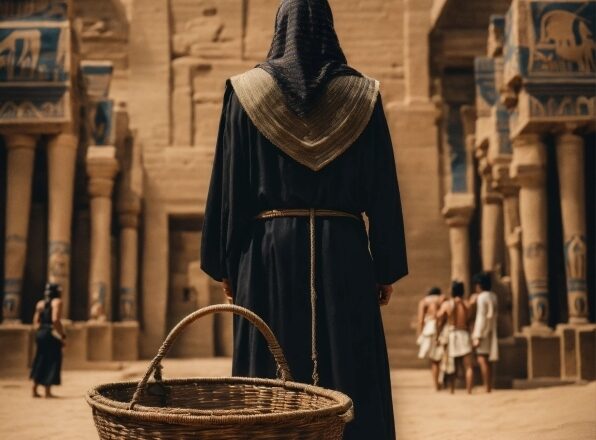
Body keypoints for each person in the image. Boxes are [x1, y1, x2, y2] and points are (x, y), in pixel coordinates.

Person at [200, 1, 407, 438]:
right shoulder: (362, 96)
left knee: (267, 378)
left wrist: (226, 264)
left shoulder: (245, 93)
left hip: (265, 253)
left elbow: (230, 186)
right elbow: (383, 187)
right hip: (344, 251)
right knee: (348, 367)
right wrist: (384, 264)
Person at [436, 281, 474, 394]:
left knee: (452, 364)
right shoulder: (467, 304)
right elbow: (470, 318)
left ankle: (452, 390)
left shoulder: (447, 304)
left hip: (452, 334)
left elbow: (439, 318)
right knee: (468, 366)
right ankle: (469, 390)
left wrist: (438, 335)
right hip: (464, 333)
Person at [30, 283, 65, 398]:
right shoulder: (57, 302)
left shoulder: (40, 303)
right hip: (51, 333)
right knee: (52, 360)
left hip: (41, 333)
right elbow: (55, 319)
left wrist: (41, 330)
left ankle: (34, 389)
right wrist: (61, 335)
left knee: (40, 359)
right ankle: (47, 391)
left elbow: (36, 322)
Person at [471, 272, 499, 393]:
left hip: (483, 331)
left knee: (482, 359)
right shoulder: (493, 296)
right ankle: (489, 385)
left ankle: (486, 385)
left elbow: (482, 317)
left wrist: (478, 335)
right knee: (488, 360)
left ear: (478, 285)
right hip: (491, 330)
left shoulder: (481, 297)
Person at [416, 287, 444, 390]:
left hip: (429, 329)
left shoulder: (424, 301)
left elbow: (420, 319)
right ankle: (440, 381)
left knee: (433, 359)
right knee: (440, 358)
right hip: (441, 328)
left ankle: (436, 384)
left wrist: (419, 334)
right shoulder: (442, 299)